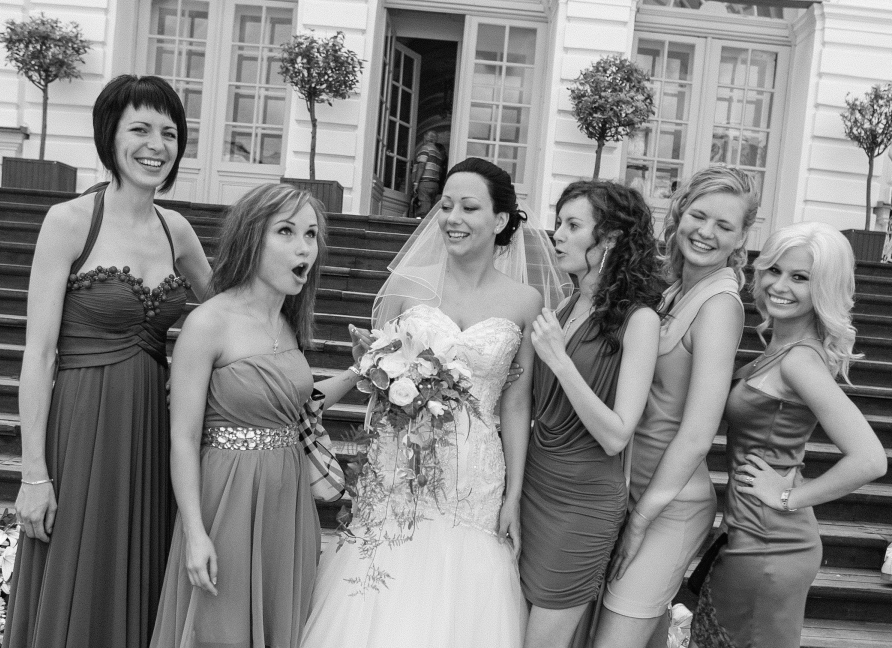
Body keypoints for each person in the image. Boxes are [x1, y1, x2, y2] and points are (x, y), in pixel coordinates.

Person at [300, 157, 568, 648]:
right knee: (386, 581)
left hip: (477, 471)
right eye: (445, 206)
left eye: (468, 207)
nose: (452, 219)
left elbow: (516, 404)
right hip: (400, 461)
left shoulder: (525, 301)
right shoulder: (407, 286)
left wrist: (513, 495)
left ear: (500, 220)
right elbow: (376, 373)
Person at [4, 75, 211, 648]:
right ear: (109, 136)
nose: (156, 146)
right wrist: (33, 474)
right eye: (140, 129)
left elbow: (228, 312)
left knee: (141, 575)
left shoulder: (178, 231)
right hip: (81, 429)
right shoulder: (69, 221)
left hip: (152, 433)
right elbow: (38, 355)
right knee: (78, 575)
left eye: (169, 133)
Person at [149, 183, 364, 647]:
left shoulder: (288, 321)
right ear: (251, 238)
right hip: (227, 497)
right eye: (286, 231)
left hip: (288, 500)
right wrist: (195, 533)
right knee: (219, 629)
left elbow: (297, 405)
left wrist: (363, 369)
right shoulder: (208, 323)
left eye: (311, 234)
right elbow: (182, 437)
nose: (304, 247)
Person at [690, 222, 887, 648]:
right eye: (774, 270)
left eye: (800, 277)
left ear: (823, 288)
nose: (779, 286)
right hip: (749, 534)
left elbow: (870, 459)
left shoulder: (800, 361)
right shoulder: (781, 348)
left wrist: (787, 497)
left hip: (770, 545)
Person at [594, 165, 759, 648]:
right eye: (699, 216)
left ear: (741, 237)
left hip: (669, 507)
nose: (706, 232)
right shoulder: (672, 290)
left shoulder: (719, 305)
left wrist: (641, 518)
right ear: (680, 211)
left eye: (724, 225)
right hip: (628, 491)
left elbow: (698, 433)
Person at [520, 181, 662, 648]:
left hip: (582, 506)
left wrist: (560, 360)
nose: (557, 234)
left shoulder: (640, 321)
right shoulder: (565, 306)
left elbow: (617, 435)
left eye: (572, 225)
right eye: (559, 222)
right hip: (533, 488)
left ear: (611, 239)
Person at [410, 130, 444, 218]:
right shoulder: (438, 153)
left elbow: (422, 165)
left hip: (425, 182)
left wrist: (416, 183)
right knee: (429, 210)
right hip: (434, 184)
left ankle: (420, 226)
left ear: (425, 138)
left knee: (423, 210)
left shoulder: (425, 149)